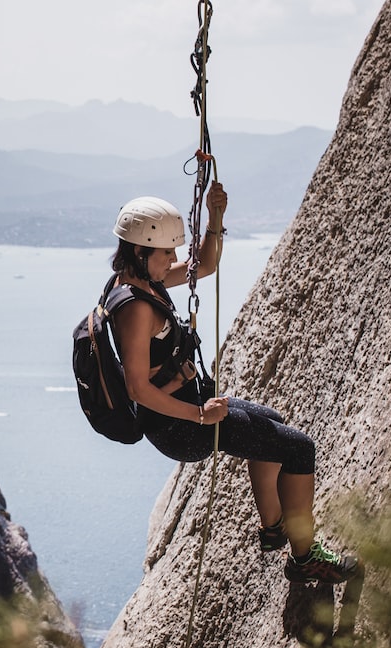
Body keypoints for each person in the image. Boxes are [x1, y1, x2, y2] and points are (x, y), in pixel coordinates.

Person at [107, 187, 360, 584]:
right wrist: (200, 415)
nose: (174, 260)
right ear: (141, 251)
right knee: (298, 448)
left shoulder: (138, 283)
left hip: (189, 407)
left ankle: (274, 527)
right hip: (180, 425)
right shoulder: (136, 308)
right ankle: (304, 558)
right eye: (166, 253)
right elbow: (138, 389)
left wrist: (215, 216)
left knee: (272, 422)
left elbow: (203, 266)